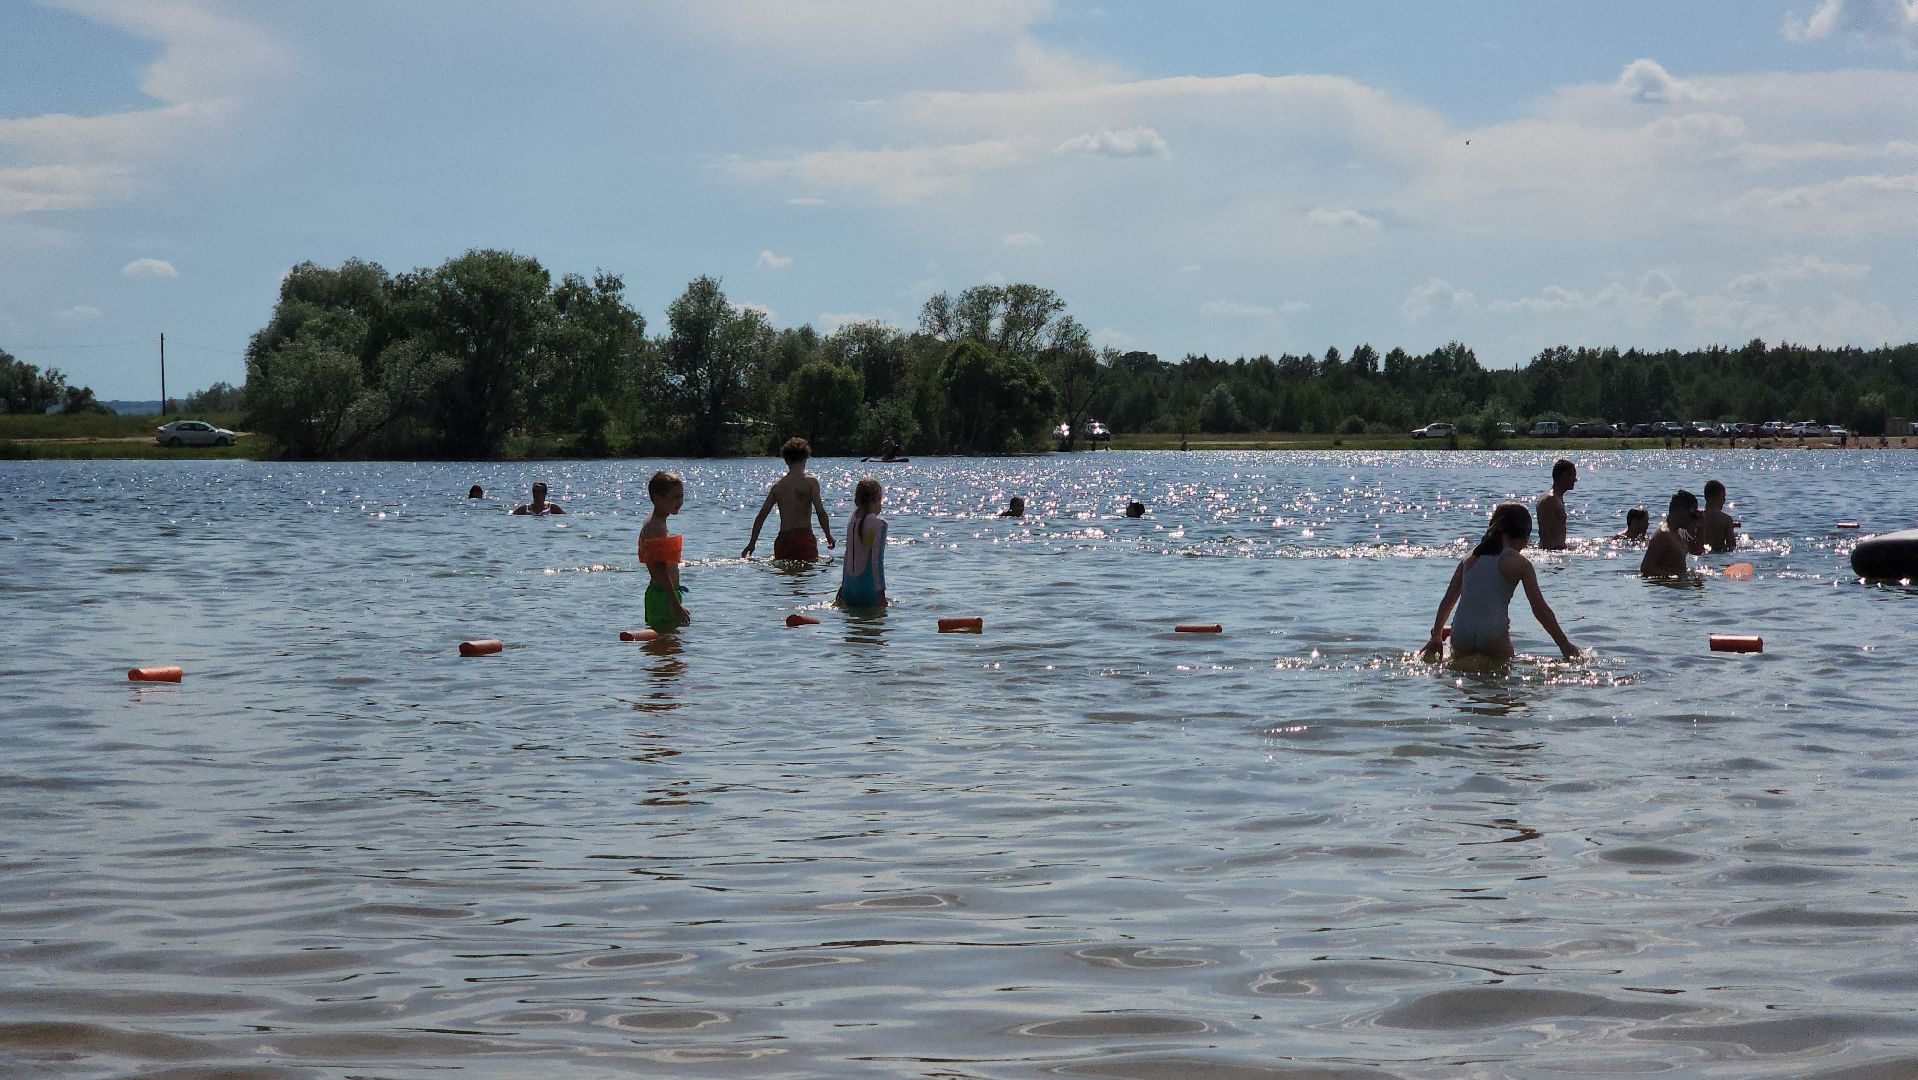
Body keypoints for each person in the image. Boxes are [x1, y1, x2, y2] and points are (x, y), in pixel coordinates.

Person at [1421, 502, 1579, 663]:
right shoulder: (1520, 563)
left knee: (1464, 681)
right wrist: (1564, 644)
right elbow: (1540, 609)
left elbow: (1448, 600)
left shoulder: (1469, 558)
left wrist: (1435, 637)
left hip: (1462, 634)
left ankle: (1445, 633)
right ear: (1523, 536)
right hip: (1494, 635)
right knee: (1502, 682)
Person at [742, 437, 836, 561]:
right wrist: (828, 535)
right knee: (806, 576)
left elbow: (761, 517)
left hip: (783, 541)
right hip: (804, 538)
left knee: (785, 576)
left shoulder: (778, 486)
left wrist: (752, 543)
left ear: (786, 461)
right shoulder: (811, 483)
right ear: (805, 458)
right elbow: (821, 512)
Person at [639, 471, 691, 630]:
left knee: (668, 647)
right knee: (668, 646)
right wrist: (675, 605)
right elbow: (661, 569)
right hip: (663, 596)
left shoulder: (658, 522)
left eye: (681, 496)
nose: (680, 501)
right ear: (657, 498)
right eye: (675, 497)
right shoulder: (656, 527)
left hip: (665, 595)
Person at [836, 477, 887, 609]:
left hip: (848, 588)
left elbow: (847, 555)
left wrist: (843, 586)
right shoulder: (879, 524)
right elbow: (876, 562)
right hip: (868, 589)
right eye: (880, 500)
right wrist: (881, 593)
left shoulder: (852, 520)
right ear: (876, 501)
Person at [1640, 489, 1704, 578]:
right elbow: (1646, 568)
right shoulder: (1663, 535)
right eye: (1692, 514)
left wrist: (1698, 526)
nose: (1692, 518)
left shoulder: (1680, 532)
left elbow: (1697, 551)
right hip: (1667, 588)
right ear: (1680, 511)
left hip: (1679, 587)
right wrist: (1676, 576)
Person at [1536, 459, 1575, 549]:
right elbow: (1544, 533)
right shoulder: (1550, 500)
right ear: (1564, 476)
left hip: (1558, 551)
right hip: (1552, 554)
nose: (1575, 480)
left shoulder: (1557, 498)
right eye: (1573, 475)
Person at [1699, 479, 1737, 553]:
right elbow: (1732, 546)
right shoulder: (1726, 519)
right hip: (1719, 554)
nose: (1724, 500)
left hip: (1701, 554)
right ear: (1713, 497)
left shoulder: (1696, 517)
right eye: (1722, 497)